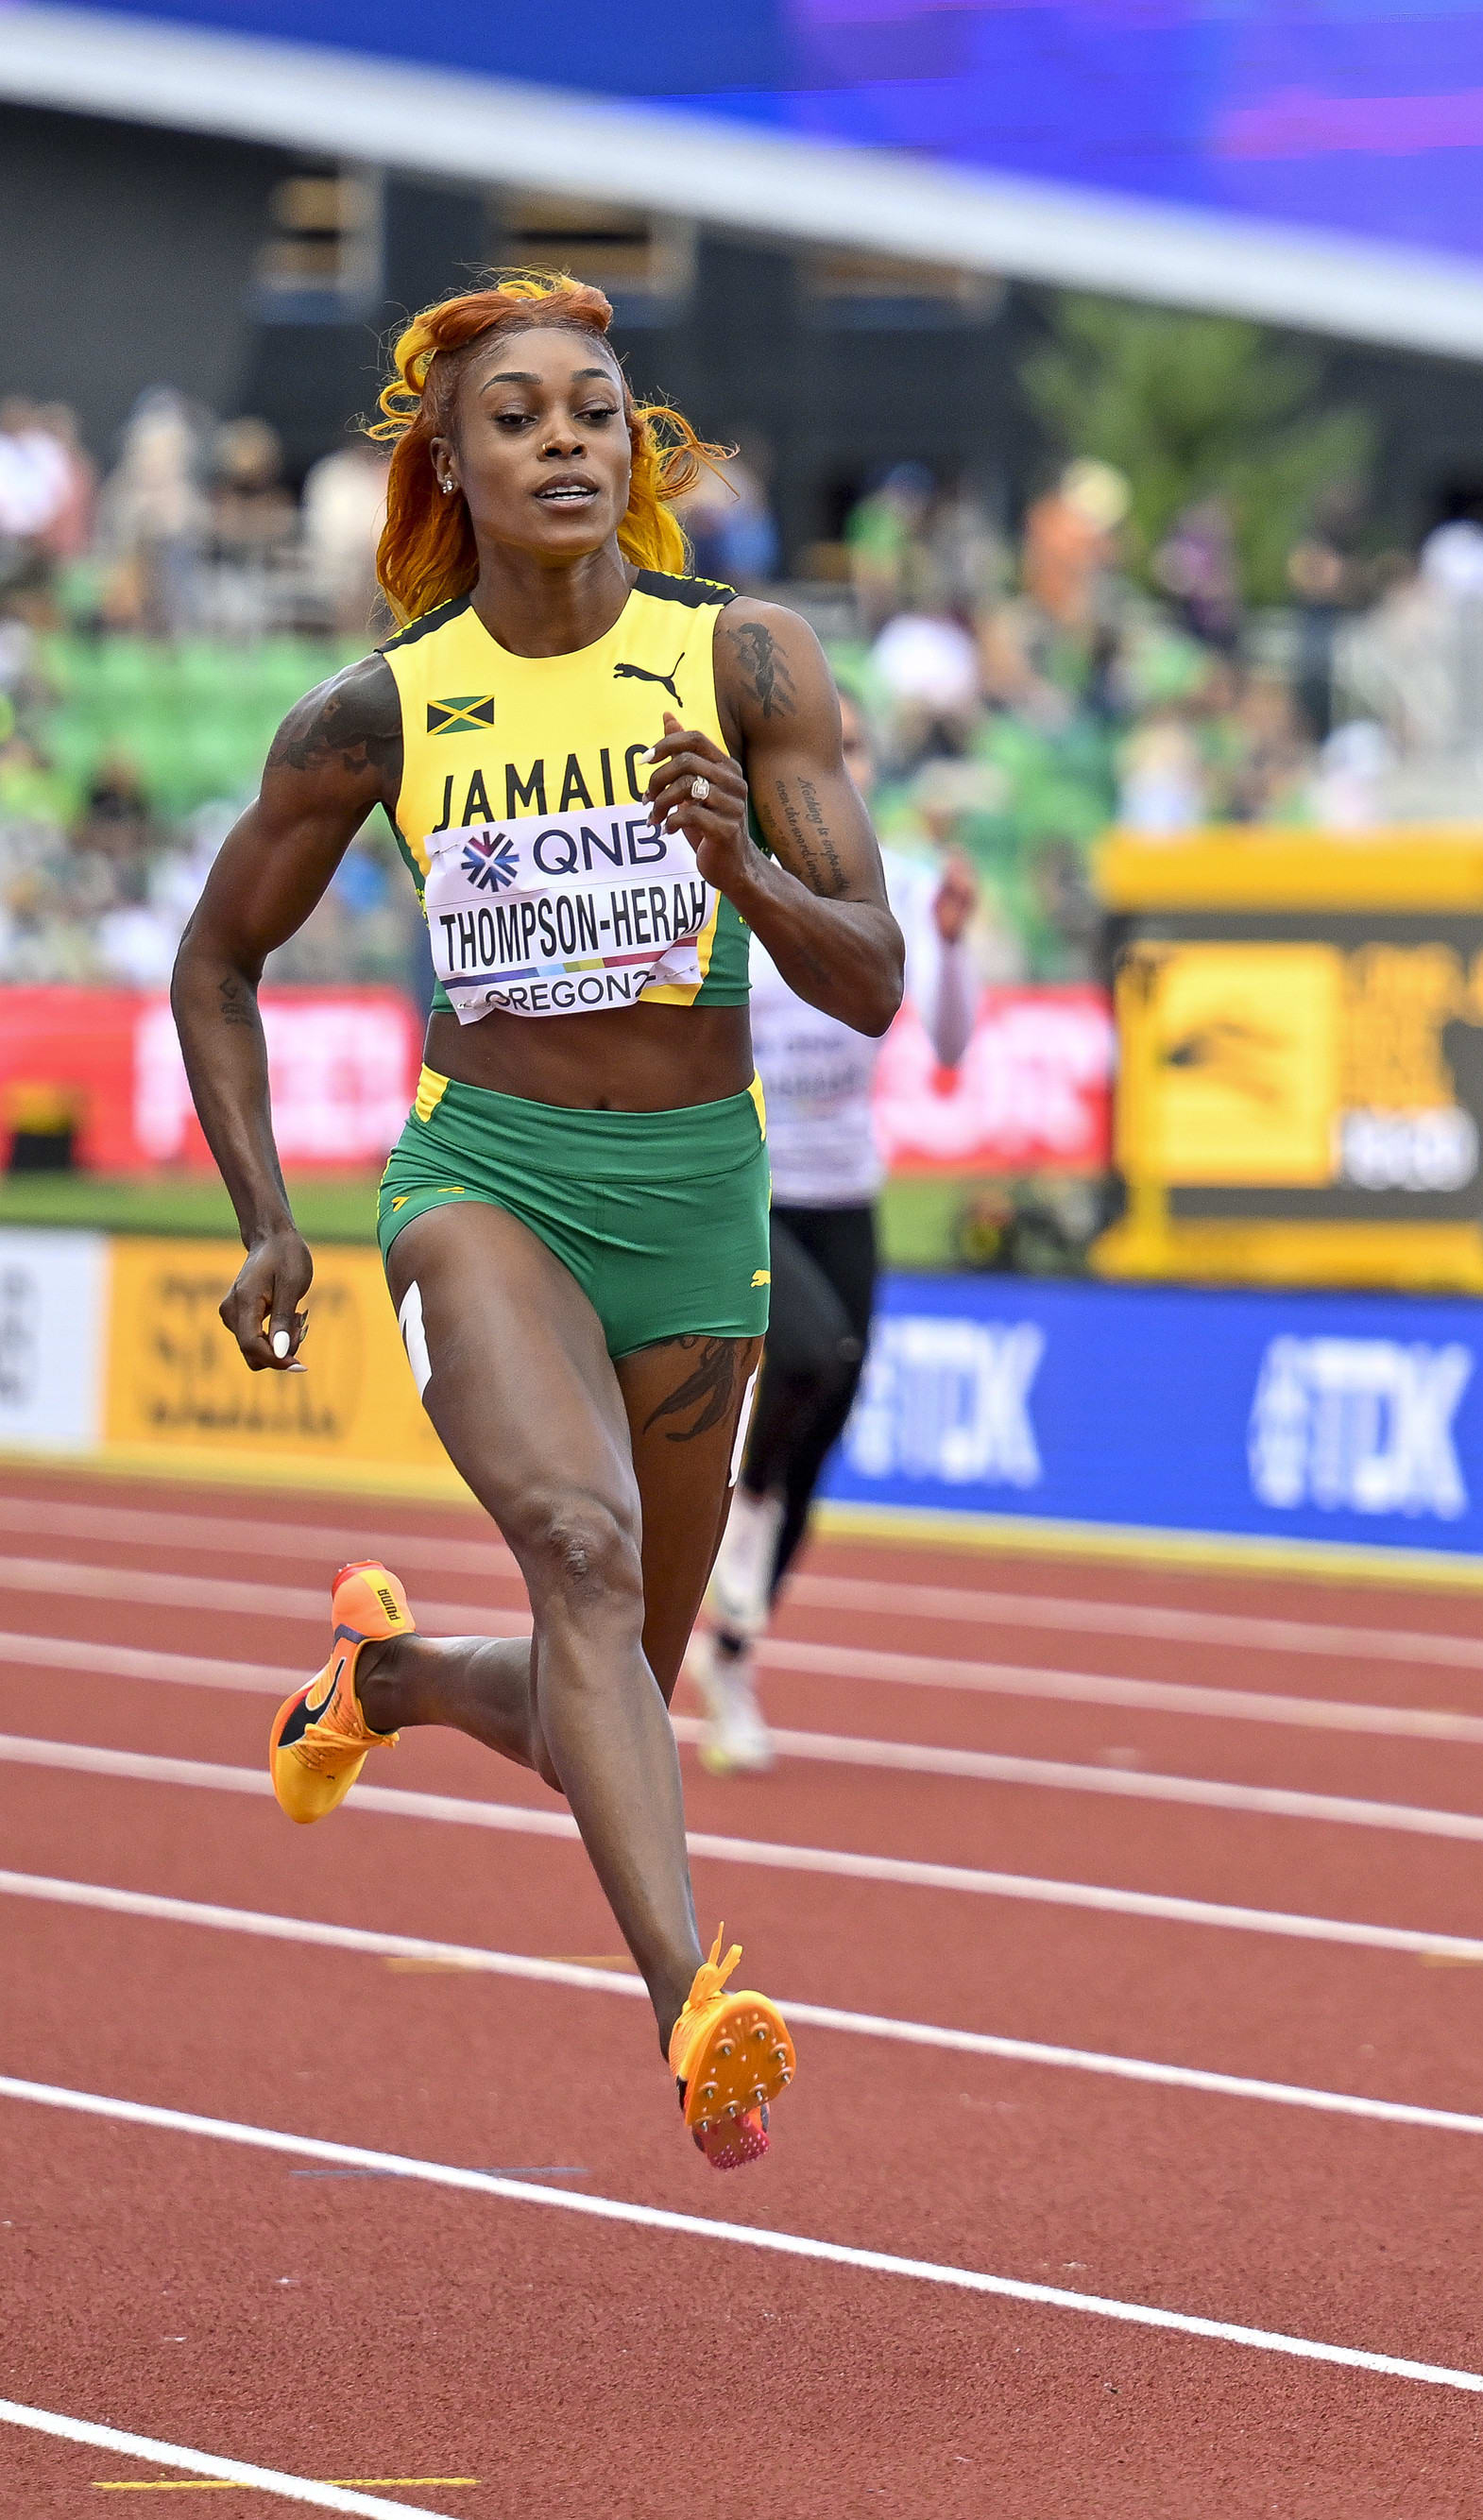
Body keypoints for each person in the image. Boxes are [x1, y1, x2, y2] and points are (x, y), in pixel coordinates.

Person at [170, 273, 909, 2170]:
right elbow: (215, 964)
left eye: (595, 407)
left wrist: (742, 859)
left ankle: (388, 1676)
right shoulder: (383, 710)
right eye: (516, 416)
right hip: (486, 1177)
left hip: (696, 1199)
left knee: (620, 1699)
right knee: (576, 1556)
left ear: (634, 446)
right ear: (449, 460)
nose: (563, 437)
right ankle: (695, 2006)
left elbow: (877, 984)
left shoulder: (743, 663)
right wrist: (269, 1218)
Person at [682, 693, 979, 1773]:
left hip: (848, 1194)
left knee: (825, 1427)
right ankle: (730, 1521)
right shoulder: (721, 874)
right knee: (809, 1356)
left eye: (855, 748)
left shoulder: (880, 882)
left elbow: (945, 1040)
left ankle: (732, 1658)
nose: (838, 766)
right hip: (748, 1184)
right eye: (824, 746)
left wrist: (950, 946)